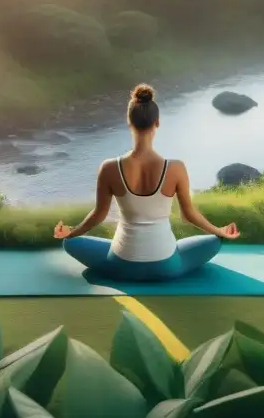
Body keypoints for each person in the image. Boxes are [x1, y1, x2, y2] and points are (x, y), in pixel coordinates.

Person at [54, 83, 240, 281]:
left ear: (129, 121)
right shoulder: (175, 168)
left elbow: (99, 215)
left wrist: (72, 232)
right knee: (215, 241)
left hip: (121, 265)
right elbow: (189, 216)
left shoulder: (109, 168)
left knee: (69, 243)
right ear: (157, 123)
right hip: (167, 266)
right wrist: (219, 231)